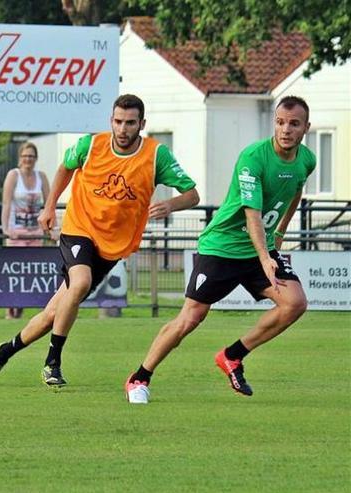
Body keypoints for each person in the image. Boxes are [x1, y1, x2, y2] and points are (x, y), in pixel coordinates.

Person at [0, 94, 199, 389]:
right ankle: (52, 363)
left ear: (142, 124)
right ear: (111, 121)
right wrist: (49, 206)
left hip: (113, 245)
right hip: (79, 228)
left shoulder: (157, 155)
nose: (123, 129)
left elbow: (192, 194)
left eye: (130, 123)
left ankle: (6, 351)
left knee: (53, 313)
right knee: (79, 283)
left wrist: (170, 206)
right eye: (118, 121)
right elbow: (66, 167)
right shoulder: (91, 145)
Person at [124, 96, 315, 404]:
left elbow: (296, 190)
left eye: (294, 124)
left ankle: (232, 356)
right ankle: (139, 378)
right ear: (274, 123)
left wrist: (279, 232)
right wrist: (266, 255)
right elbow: (252, 215)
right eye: (280, 122)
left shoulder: (306, 159)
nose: (286, 129)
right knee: (191, 318)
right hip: (223, 248)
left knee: (294, 303)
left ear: (306, 127)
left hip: (258, 252)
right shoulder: (253, 158)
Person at [0, 142, 50, 319]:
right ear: (20, 158)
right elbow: (6, 203)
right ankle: (10, 310)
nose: (27, 159)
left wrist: (49, 228)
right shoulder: (13, 175)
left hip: (35, 232)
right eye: (24, 156)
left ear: (35, 159)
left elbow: (48, 204)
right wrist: (6, 228)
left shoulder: (41, 177)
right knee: (15, 272)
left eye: (31, 156)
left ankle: (23, 309)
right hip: (17, 231)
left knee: (31, 272)